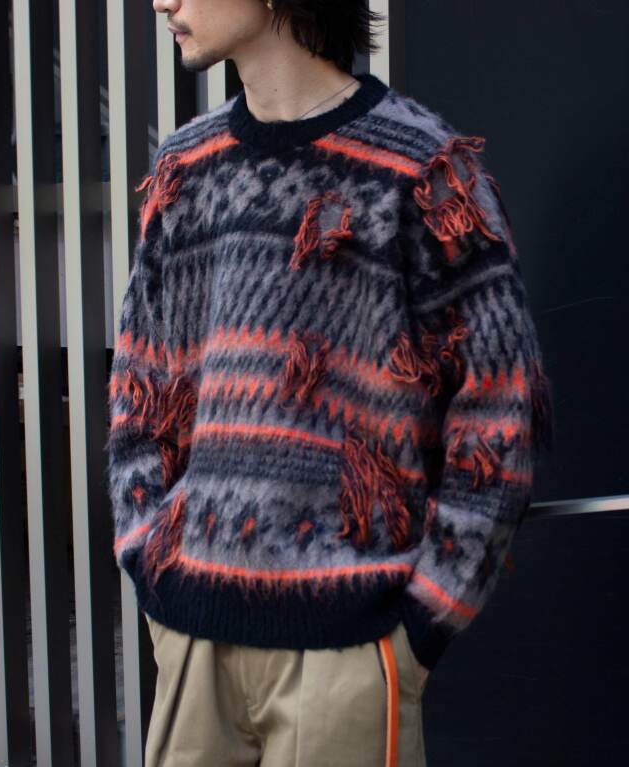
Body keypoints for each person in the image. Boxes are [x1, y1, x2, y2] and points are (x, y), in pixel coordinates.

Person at [105, 1, 555, 765]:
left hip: (347, 652)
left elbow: (499, 407)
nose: (163, 2)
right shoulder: (188, 168)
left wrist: (421, 625)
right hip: (191, 641)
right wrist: (149, 563)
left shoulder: (421, 168)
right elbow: (139, 389)